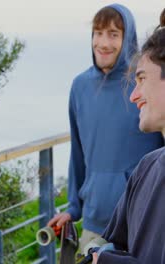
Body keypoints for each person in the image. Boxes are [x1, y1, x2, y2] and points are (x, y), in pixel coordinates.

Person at [47, 4, 163, 251]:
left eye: (113, 34)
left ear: (127, 37)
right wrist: (73, 209)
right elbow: (78, 152)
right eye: (98, 33)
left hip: (141, 221)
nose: (103, 42)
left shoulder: (143, 87)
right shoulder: (80, 87)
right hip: (94, 222)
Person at [92, 9, 165, 264]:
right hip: (94, 214)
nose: (133, 96)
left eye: (142, 79)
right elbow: (108, 245)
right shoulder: (147, 167)